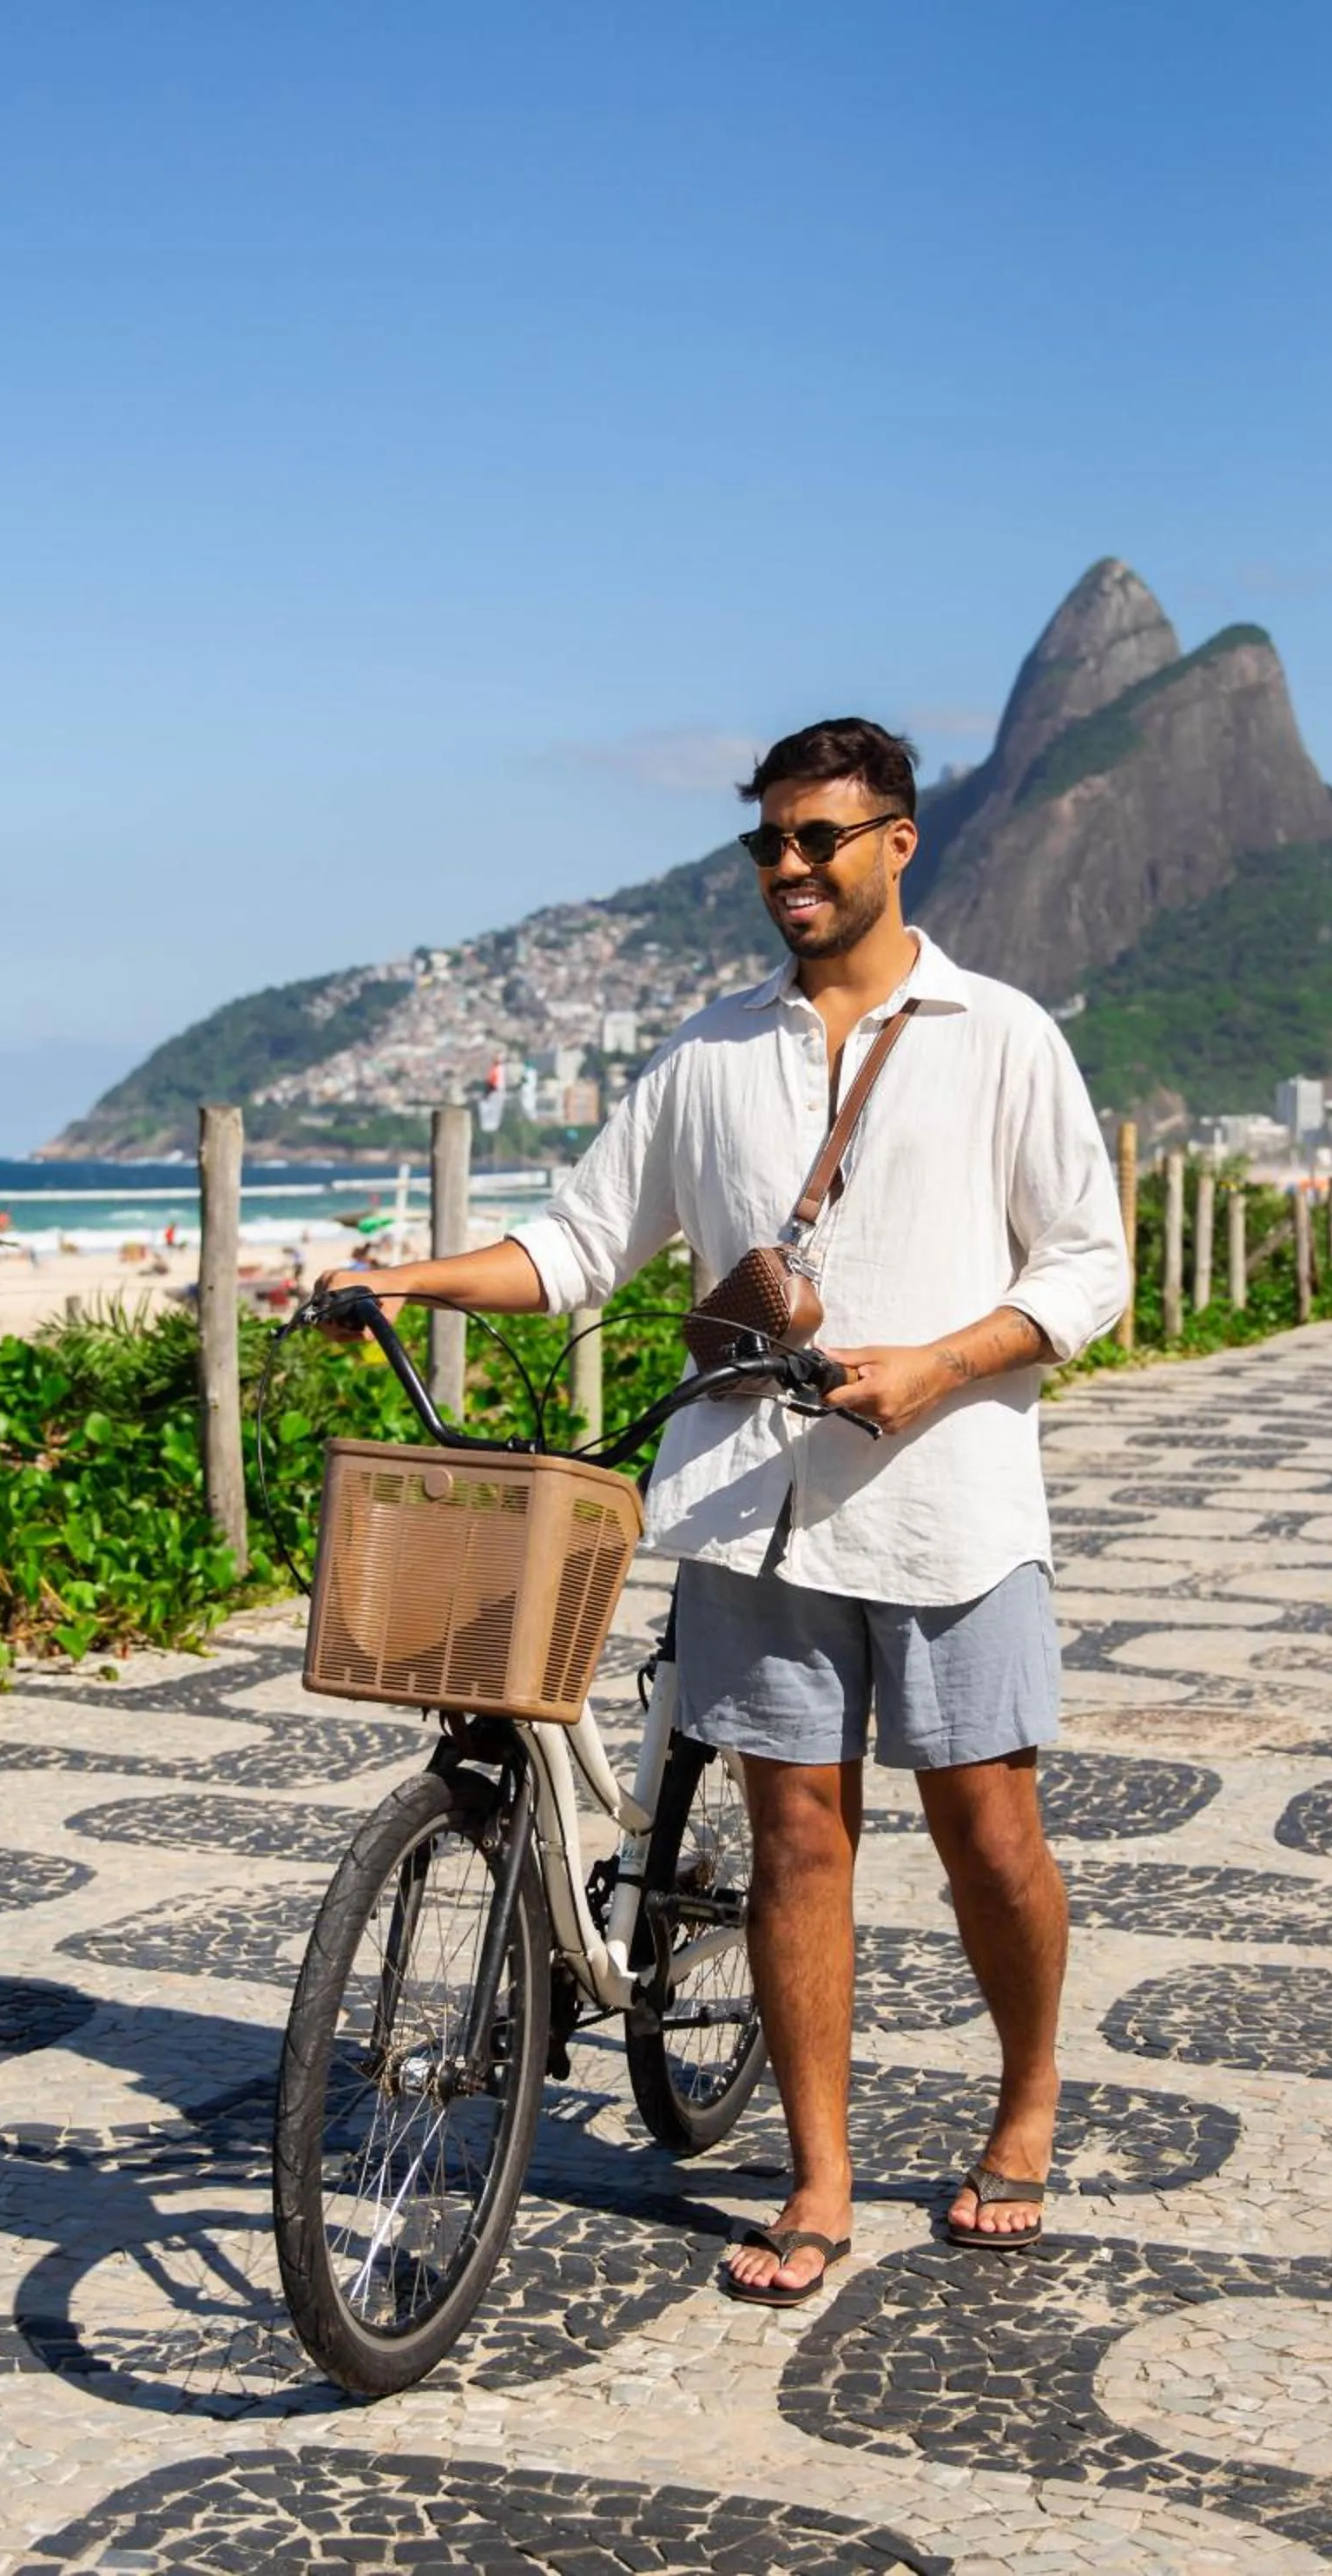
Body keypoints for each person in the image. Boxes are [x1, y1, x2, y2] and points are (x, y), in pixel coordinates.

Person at [320, 717, 1128, 2303]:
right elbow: (575, 1249)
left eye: (819, 838)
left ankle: (1026, 2098)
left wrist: (941, 1367)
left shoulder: (1002, 1034)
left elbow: (1088, 1266)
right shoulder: (704, 1053)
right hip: (755, 1509)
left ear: (900, 842)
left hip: (954, 1502)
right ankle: (818, 2178)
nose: (788, 869)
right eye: (766, 842)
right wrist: (403, 1278)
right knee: (796, 1842)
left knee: (992, 1838)